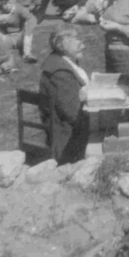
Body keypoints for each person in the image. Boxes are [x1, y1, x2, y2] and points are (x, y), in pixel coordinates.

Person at [38, 27, 91, 165]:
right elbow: (72, 113)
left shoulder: (62, 62)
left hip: (66, 125)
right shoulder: (60, 73)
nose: (83, 46)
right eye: (77, 42)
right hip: (66, 135)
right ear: (63, 46)